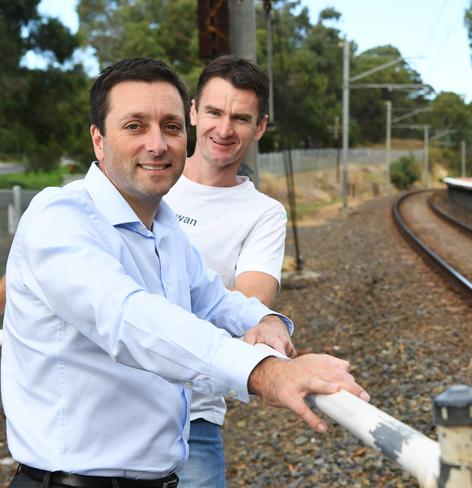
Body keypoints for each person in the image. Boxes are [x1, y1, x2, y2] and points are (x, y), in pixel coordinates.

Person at [1, 57, 369, 488]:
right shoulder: (61, 216)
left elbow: (214, 299)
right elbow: (129, 319)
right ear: (98, 140)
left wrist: (263, 320)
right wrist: (266, 371)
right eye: (135, 126)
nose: (157, 144)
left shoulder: (166, 228)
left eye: (171, 127)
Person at [164, 56, 284, 488]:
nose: (224, 128)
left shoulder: (263, 214)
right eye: (214, 112)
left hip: (191, 415)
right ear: (193, 112)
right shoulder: (145, 179)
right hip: (108, 402)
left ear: (261, 127)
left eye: (241, 118)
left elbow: (246, 305)